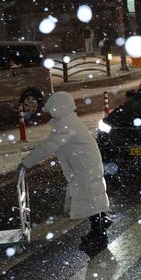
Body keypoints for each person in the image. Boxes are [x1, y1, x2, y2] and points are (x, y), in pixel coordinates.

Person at [20, 92, 111, 249]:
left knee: (90, 199)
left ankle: (98, 234)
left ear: (60, 108)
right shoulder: (68, 122)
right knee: (92, 198)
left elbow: (49, 146)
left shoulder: (66, 126)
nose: (51, 112)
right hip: (85, 166)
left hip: (84, 168)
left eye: (53, 109)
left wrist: (26, 162)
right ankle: (100, 226)